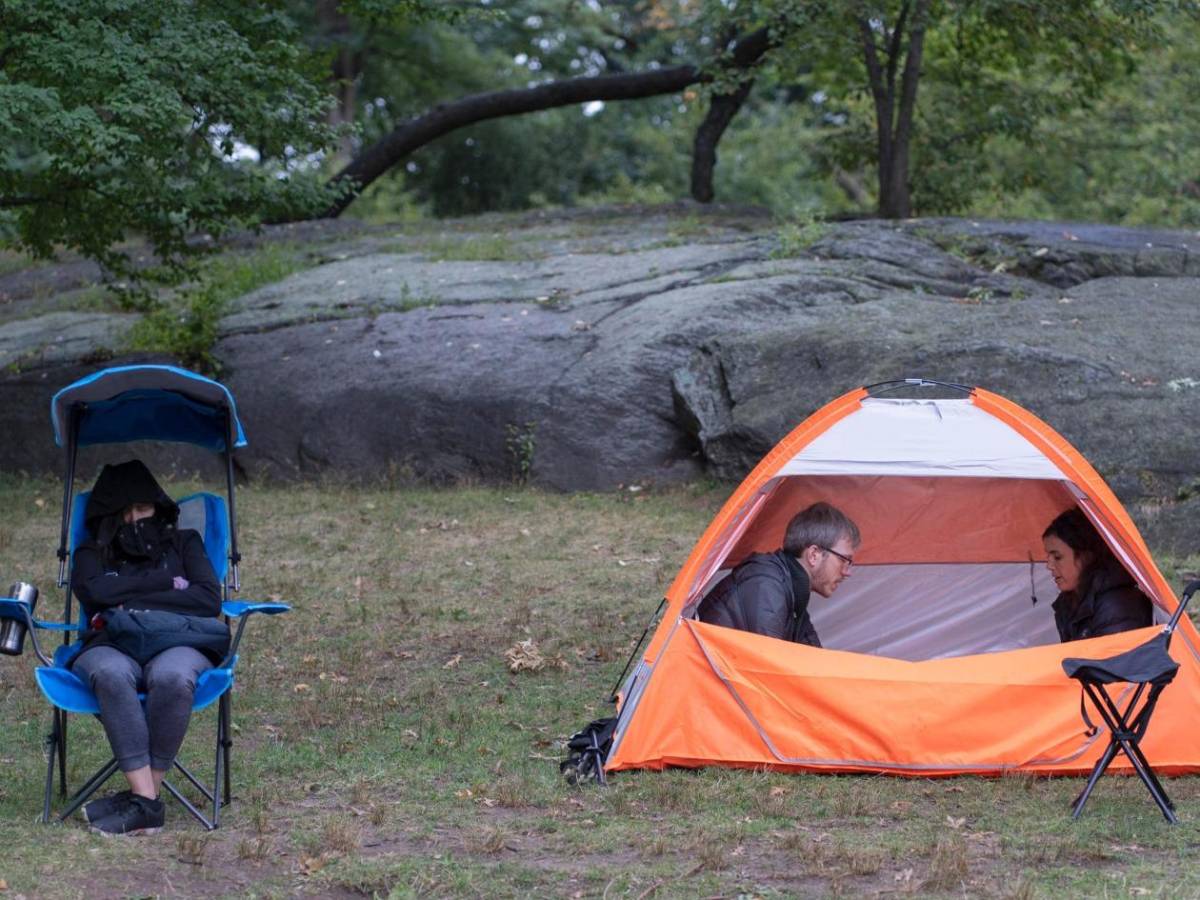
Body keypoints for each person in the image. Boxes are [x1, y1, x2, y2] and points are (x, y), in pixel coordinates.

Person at [69, 459, 222, 835]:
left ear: (158, 506)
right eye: (124, 513)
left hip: (179, 639)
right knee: (109, 673)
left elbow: (207, 600)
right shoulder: (92, 552)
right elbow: (93, 592)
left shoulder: (185, 542)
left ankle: (142, 801)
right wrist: (166, 584)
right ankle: (147, 801)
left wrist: (129, 601)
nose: (134, 519)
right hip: (110, 643)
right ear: (109, 516)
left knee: (172, 676)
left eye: (142, 508)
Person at [696, 502, 860, 646]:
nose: (847, 572)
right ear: (814, 555)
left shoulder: (794, 593)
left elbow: (815, 663)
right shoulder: (765, 586)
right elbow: (767, 668)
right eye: (844, 560)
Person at [1043, 508, 1153, 642]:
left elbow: (1113, 661)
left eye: (1057, 557)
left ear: (1086, 556)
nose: (1049, 566)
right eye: (1048, 557)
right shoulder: (1072, 601)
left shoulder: (1117, 605)